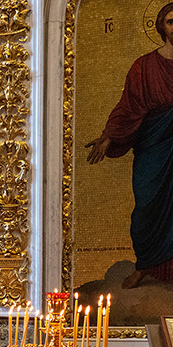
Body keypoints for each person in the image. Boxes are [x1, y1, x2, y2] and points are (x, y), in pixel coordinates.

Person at [85, 3, 173, 289]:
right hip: (154, 147)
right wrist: (109, 136)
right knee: (146, 205)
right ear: (161, 27)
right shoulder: (144, 66)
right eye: (171, 22)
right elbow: (128, 107)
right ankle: (145, 264)